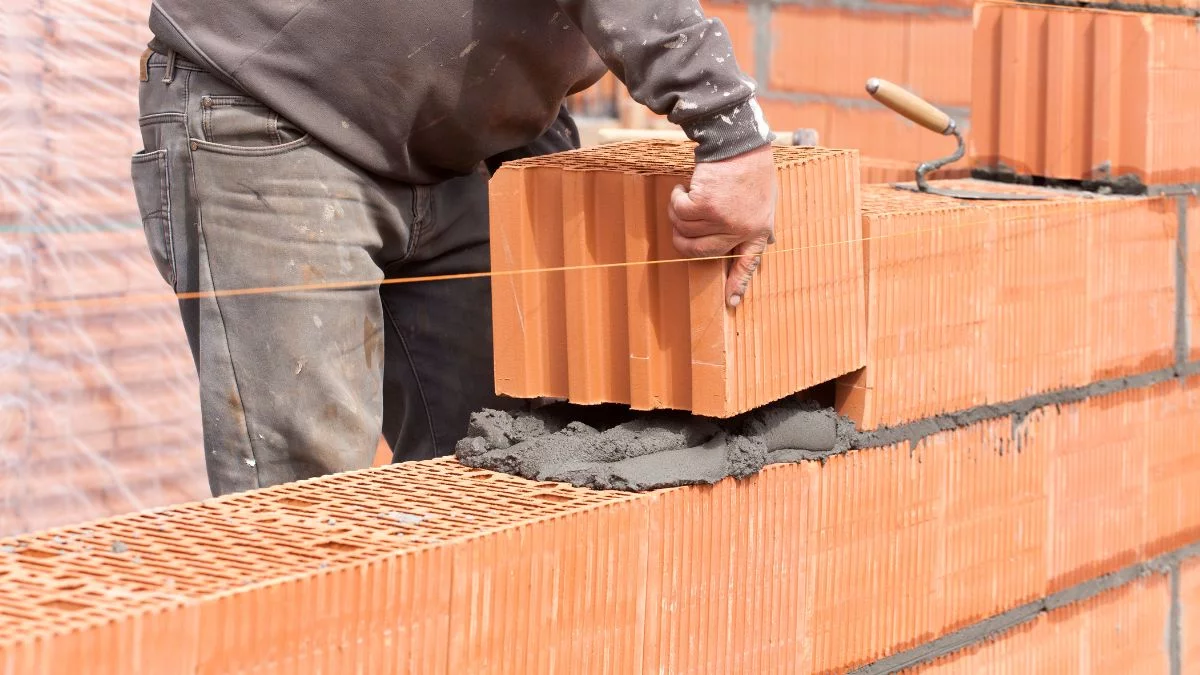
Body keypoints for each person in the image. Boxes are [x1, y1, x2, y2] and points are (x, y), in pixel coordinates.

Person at [130, 0, 779, 497]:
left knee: (503, 460)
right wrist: (730, 126)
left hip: (459, 148)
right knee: (309, 514)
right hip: (278, 103)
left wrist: (527, 127)